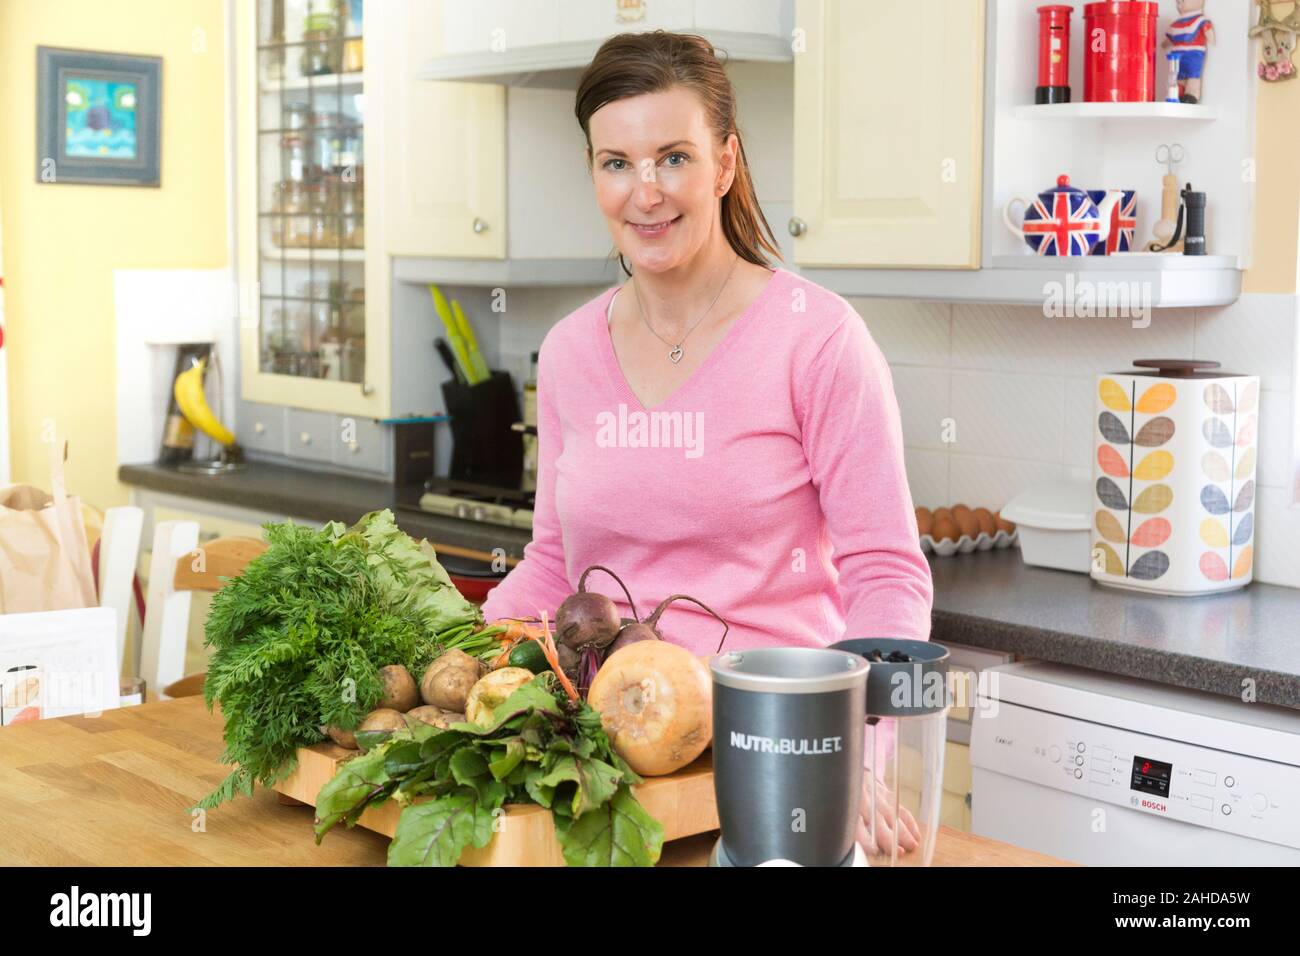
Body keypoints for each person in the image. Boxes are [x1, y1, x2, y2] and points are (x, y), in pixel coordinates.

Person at [481, 30, 932, 857]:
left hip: (777, 767)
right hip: (610, 759)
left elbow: (885, 569)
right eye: (616, 162)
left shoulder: (817, 338)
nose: (644, 192)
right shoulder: (571, 351)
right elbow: (553, 562)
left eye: (673, 158)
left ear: (724, 164)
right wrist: (464, 661)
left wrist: (856, 752)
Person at [1162, 0, 1215, 103]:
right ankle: (1177, 94)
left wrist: (1210, 36)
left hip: (1193, 56)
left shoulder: (1200, 20)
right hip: (1177, 58)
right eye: (1178, 2)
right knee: (1178, 77)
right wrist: (1164, 43)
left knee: (1193, 77)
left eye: (1182, 1)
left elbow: (1207, 31)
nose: (1180, 5)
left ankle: (1191, 95)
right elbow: (1170, 38)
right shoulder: (1177, 23)